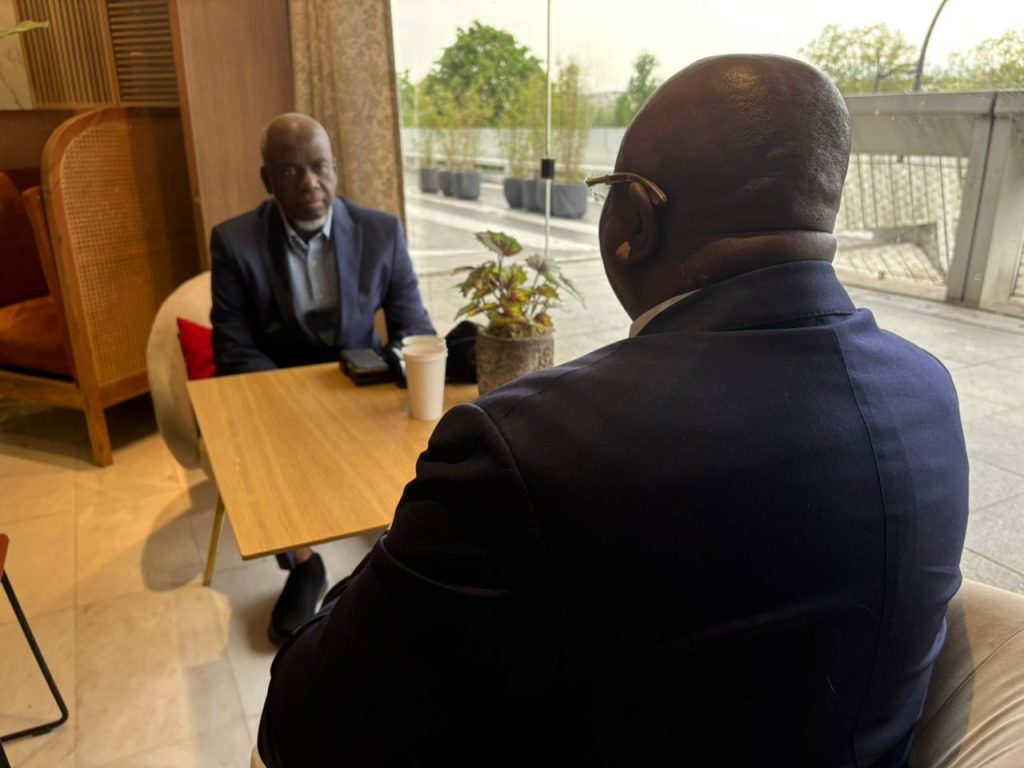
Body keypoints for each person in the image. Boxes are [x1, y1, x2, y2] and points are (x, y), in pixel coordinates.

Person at [256, 56, 969, 766]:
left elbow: (303, 726)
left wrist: (401, 538)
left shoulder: (531, 449)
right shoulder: (929, 391)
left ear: (636, 219)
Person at [210, 113, 435, 645]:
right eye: (291, 171)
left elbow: (413, 327)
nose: (309, 182)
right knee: (263, 446)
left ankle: (395, 552)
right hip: (276, 389)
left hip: (360, 385)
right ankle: (304, 563)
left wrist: (403, 368)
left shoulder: (381, 232)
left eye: (319, 167)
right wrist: (295, 405)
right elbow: (234, 348)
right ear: (267, 179)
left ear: (335, 168)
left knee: (416, 434)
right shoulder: (234, 242)